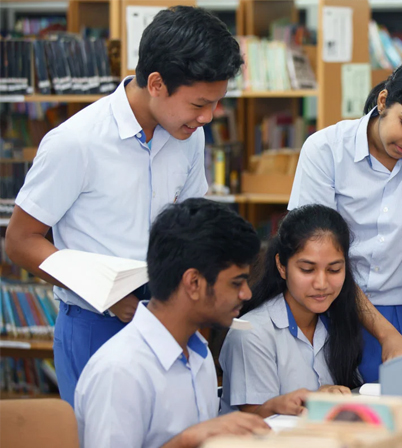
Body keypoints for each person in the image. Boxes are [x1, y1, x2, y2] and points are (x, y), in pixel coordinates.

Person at [5, 6, 242, 406]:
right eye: (199, 104)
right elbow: (20, 241)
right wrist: (105, 294)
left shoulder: (188, 135)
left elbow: (191, 227)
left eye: (216, 103)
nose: (207, 117)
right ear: (156, 83)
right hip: (96, 322)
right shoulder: (76, 142)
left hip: (169, 317)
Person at [288, 58, 402, 382]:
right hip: (329, 303)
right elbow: (319, 256)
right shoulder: (326, 150)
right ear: (384, 101)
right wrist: (385, 334)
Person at [74, 198, 272, 448]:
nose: (247, 293)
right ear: (194, 283)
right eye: (236, 283)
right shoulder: (120, 371)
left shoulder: (198, 355)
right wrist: (187, 440)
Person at [219, 204, 364, 416]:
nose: (321, 283)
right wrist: (315, 402)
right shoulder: (252, 334)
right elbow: (255, 420)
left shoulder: (338, 321)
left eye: (334, 270)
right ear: (282, 266)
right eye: (307, 269)